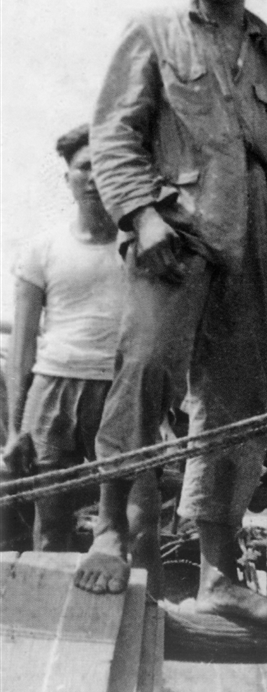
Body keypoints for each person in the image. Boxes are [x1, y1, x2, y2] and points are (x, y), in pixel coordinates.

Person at [75, 0, 267, 628]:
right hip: (175, 228)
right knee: (145, 371)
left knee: (235, 403)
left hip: (253, 239)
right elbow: (113, 135)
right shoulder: (154, 31)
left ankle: (219, 572)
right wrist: (141, 215)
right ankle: (109, 530)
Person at [3, 125, 161, 592]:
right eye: (83, 167)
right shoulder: (42, 249)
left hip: (122, 391)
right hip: (53, 390)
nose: (93, 177)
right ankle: (47, 616)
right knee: (51, 524)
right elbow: (22, 348)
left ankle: (150, 616)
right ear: (68, 178)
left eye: (104, 166)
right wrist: (14, 429)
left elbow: (161, 337)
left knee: (141, 522)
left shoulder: (144, 247)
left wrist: (163, 411)